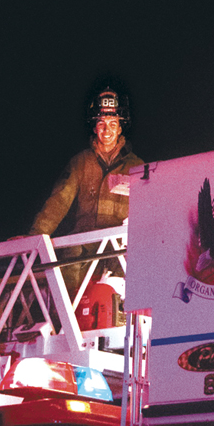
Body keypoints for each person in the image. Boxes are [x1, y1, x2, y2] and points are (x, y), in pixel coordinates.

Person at [28, 84, 144, 293]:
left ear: (120, 128)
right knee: (69, 270)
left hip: (118, 246)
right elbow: (58, 202)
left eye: (112, 123)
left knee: (125, 279)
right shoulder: (80, 163)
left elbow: (151, 209)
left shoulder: (137, 167)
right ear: (94, 127)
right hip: (83, 244)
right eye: (101, 123)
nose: (106, 130)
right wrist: (35, 236)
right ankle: (66, 314)